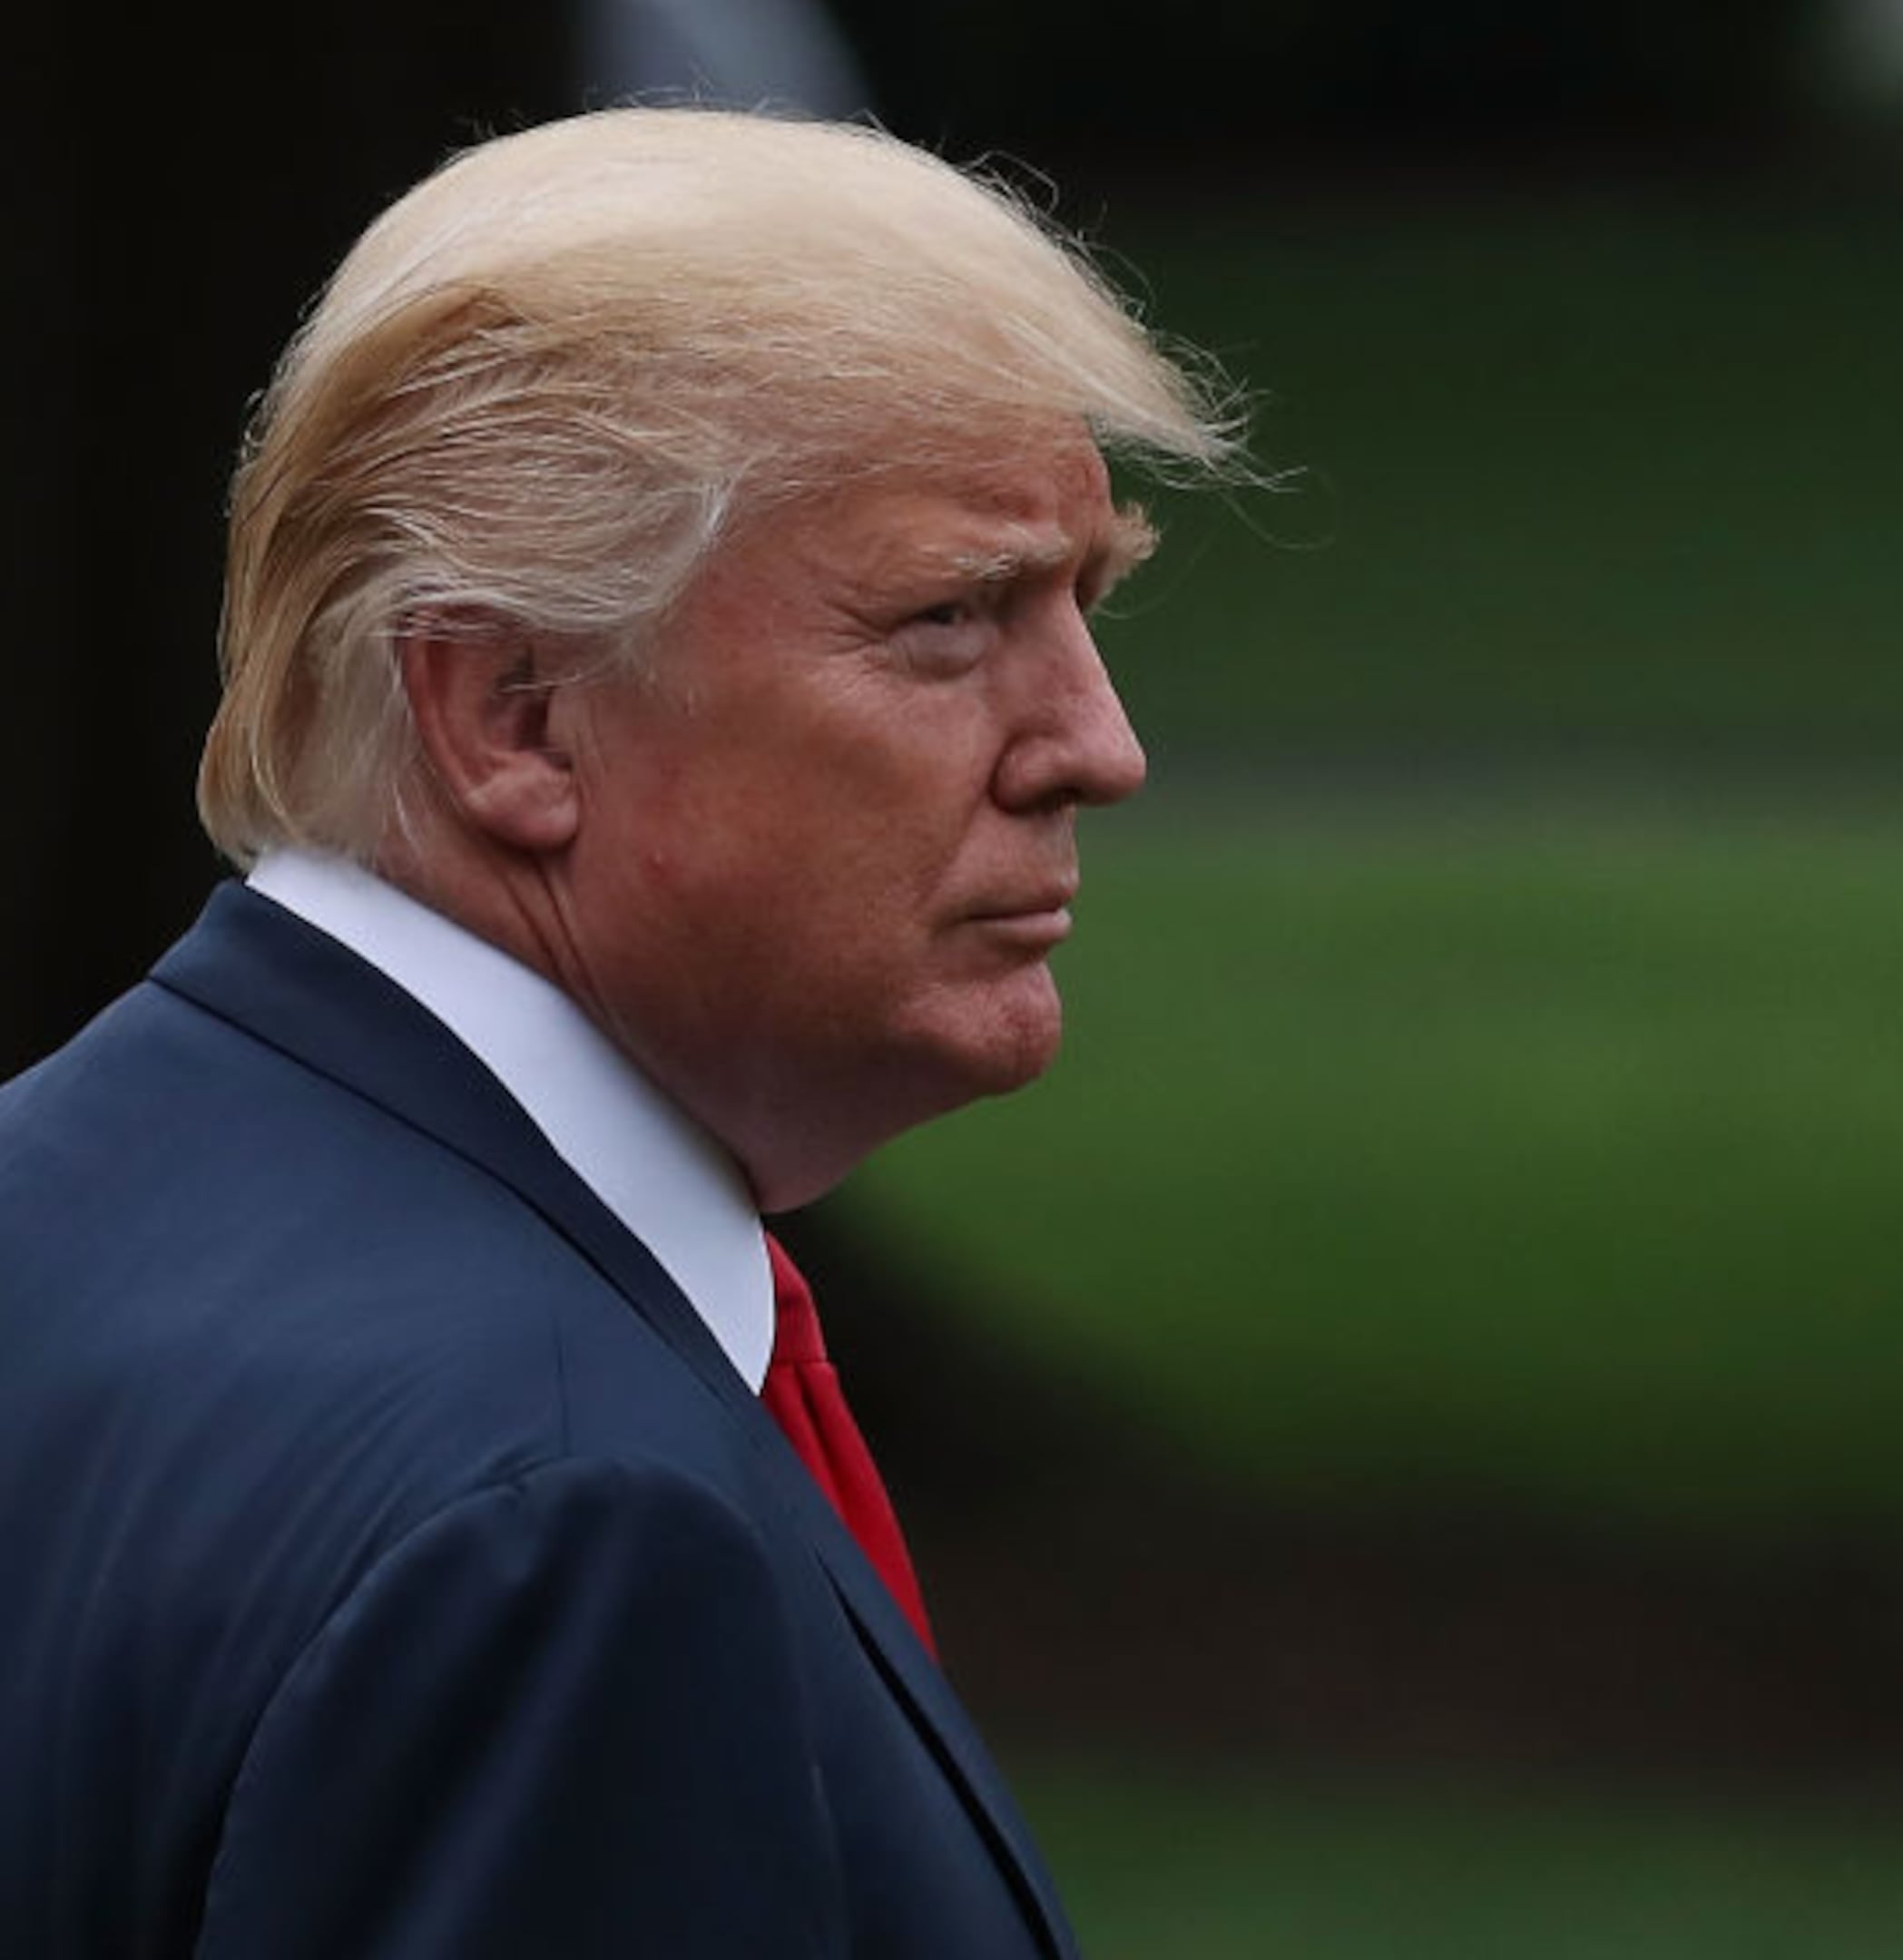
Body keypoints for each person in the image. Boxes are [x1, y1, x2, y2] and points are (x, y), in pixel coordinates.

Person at [0, 107, 1235, 1955]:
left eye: (1087, 602)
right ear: (513, 717)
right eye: (951, 617)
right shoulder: (566, 1521)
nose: (1099, 745)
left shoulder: (59, 1196)